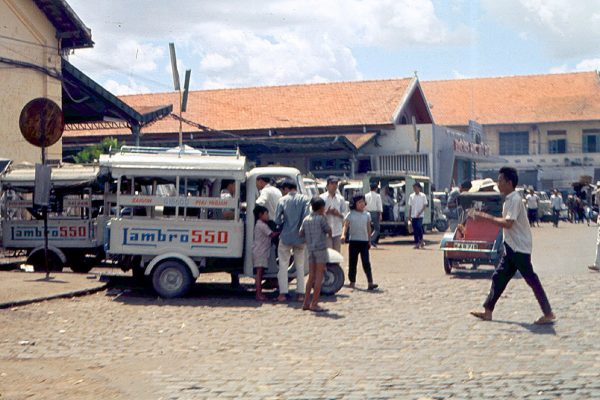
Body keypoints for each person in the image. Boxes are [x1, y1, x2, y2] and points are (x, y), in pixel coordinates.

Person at [470, 166, 556, 325]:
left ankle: (548, 313)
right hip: (512, 247)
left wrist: (484, 217)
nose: (498, 183)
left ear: (509, 183)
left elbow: (508, 223)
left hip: (519, 248)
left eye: (500, 180)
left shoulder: (515, 199)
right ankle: (488, 311)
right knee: (498, 277)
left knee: (531, 279)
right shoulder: (509, 199)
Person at [274, 179, 310, 302]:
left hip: (285, 237)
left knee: (283, 265)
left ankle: (283, 293)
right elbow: (307, 217)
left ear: (285, 189)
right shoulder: (305, 199)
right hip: (300, 238)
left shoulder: (282, 200)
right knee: (300, 266)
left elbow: (277, 220)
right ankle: (301, 294)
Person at [299, 198, 332, 312]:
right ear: (321, 207)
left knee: (311, 276)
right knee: (319, 277)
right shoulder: (321, 219)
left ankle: (306, 302)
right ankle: (315, 303)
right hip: (320, 249)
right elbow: (329, 231)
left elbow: (301, 233)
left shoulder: (306, 219)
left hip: (310, 249)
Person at [341, 194, 378, 290]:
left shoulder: (367, 215)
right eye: (359, 202)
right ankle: (352, 282)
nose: (361, 204)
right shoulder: (350, 214)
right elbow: (346, 225)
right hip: (353, 241)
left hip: (364, 242)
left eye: (363, 202)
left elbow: (368, 228)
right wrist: (343, 235)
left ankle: (370, 282)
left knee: (366, 262)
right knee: (352, 262)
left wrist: (369, 240)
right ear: (354, 204)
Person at [252, 205, 279, 301]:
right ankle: (258, 294)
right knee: (259, 274)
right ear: (260, 215)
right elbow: (272, 234)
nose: (268, 216)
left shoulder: (259, 224)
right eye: (266, 214)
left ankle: (259, 293)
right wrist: (281, 230)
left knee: (261, 273)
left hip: (261, 251)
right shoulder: (261, 225)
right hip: (260, 252)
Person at [319, 176, 346, 252]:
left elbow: (345, 215)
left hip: (337, 231)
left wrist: (338, 214)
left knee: (337, 254)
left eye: (336, 184)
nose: (334, 186)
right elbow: (316, 214)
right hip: (325, 231)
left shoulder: (340, 199)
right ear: (327, 186)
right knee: (328, 254)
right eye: (332, 183)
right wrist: (326, 212)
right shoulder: (321, 198)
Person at [408, 182, 428, 249]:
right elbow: (410, 206)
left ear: (419, 188)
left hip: (420, 215)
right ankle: (417, 242)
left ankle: (421, 240)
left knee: (419, 226)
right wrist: (409, 215)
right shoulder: (411, 196)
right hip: (413, 215)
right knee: (415, 229)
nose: (415, 189)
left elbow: (425, 205)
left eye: (416, 188)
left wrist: (420, 212)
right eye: (414, 188)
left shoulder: (423, 196)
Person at [365, 182, 383, 248]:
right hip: (375, 213)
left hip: (367, 212)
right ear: (376, 188)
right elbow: (379, 205)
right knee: (377, 228)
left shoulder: (366, 195)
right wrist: (380, 214)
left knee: (368, 227)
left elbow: (364, 205)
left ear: (370, 188)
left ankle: (369, 240)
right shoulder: (378, 196)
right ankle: (371, 240)